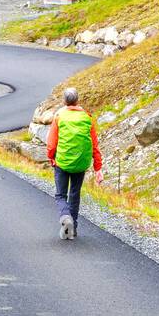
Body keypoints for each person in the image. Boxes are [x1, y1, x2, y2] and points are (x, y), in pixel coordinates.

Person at [46, 87, 102, 240]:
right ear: (77, 100)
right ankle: (73, 229)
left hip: (62, 162)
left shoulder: (59, 116)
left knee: (60, 194)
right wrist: (98, 167)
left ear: (64, 101)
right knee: (75, 194)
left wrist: (51, 157)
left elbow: (51, 143)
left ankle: (65, 217)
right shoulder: (86, 117)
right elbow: (94, 145)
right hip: (81, 163)